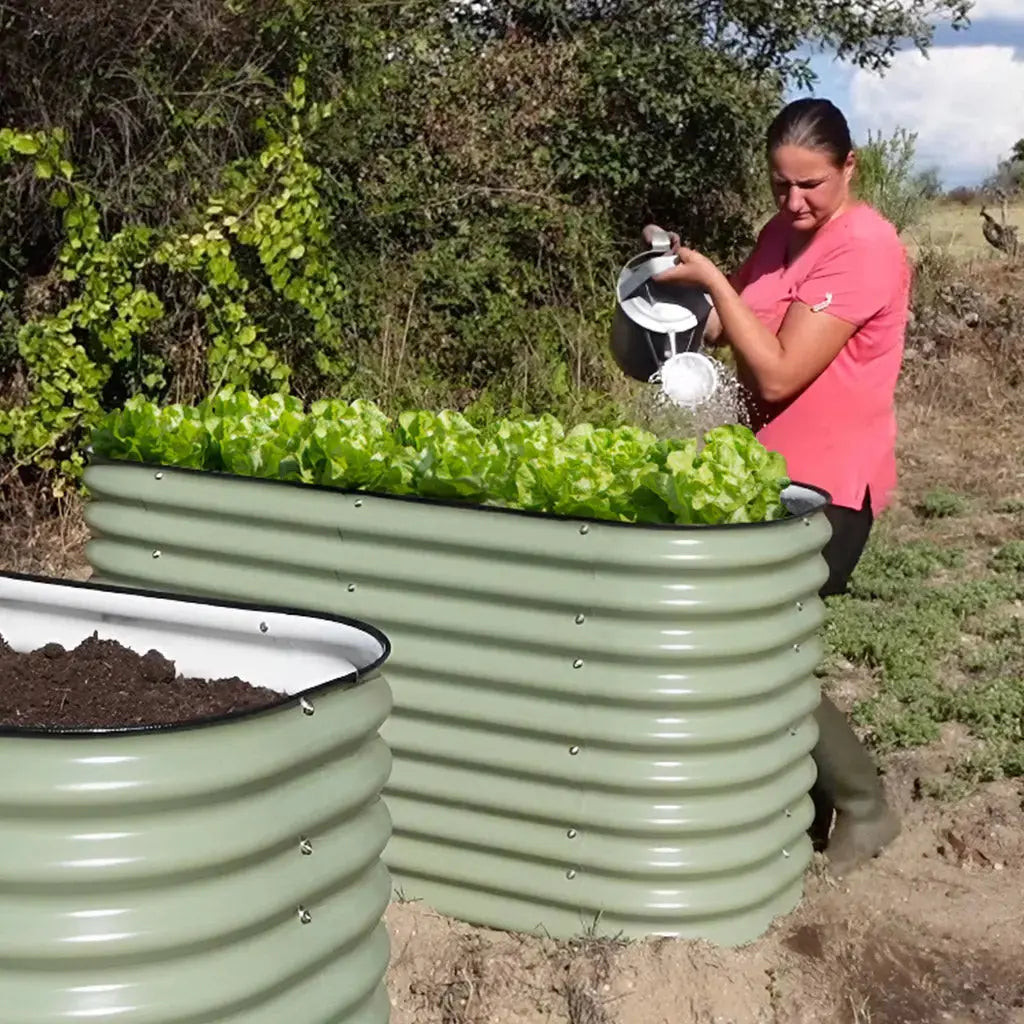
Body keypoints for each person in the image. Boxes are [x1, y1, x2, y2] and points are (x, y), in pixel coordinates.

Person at [643, 97, 910, 878]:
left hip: (827, 490)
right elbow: (736, 328)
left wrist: (718, 284)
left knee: (762, 651)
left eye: (812, 185)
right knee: (760, 645)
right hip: (765, 478)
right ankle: (815, 802)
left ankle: (863, 807)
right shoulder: (782, 236)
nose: (795, 203)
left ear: (850, 167)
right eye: (780, 185)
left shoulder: (866, 248)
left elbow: (780, 369)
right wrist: (676, 285)